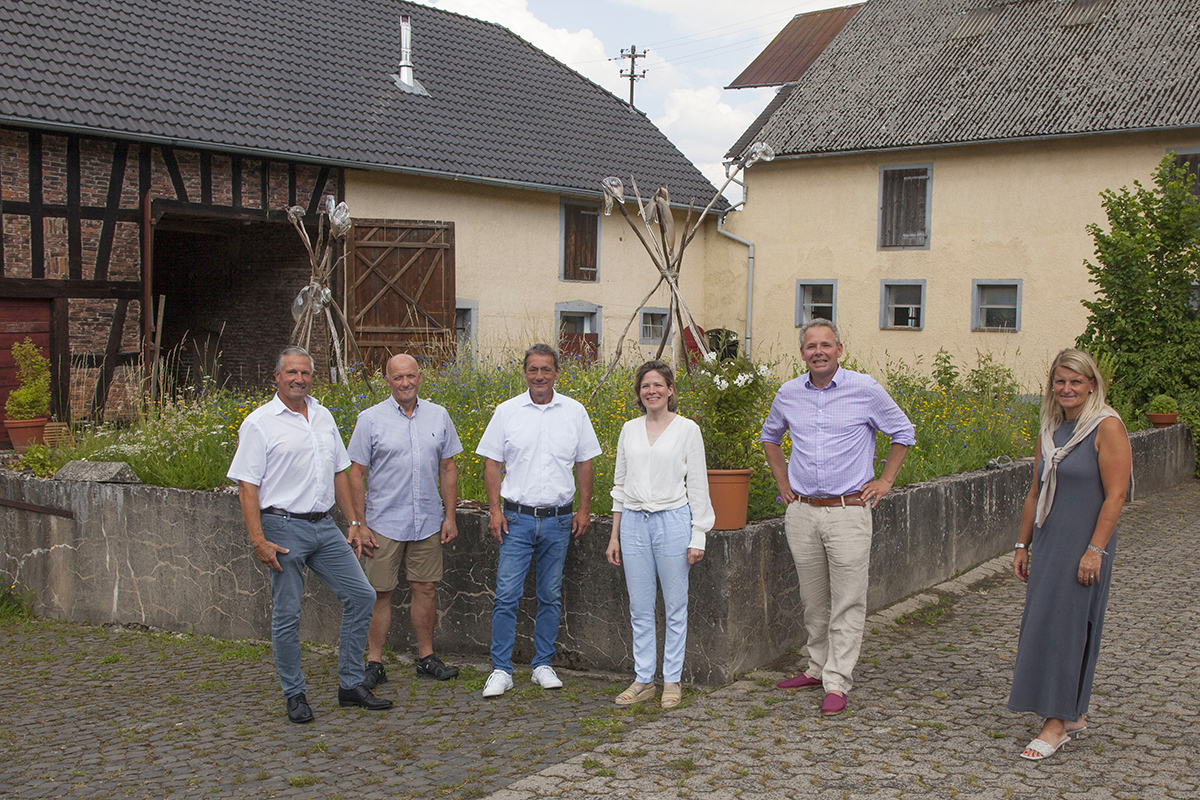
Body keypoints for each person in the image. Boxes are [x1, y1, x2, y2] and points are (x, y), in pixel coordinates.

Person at [227, 346, 393, 723]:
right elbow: (247, 486)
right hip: (282, 526)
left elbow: (339, 472)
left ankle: (351, 684)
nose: (298, 379)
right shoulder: (259, 423)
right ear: (277, 377)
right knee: (288, 614)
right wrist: (258, 540)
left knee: (361, 595)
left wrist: (352, 522)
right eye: (291, 373)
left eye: (305, 373)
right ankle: (295, 694)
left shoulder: (322, 416)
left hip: (324, 526)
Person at [760, 319, 915, 716]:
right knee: (813, 601)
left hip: (848, 512)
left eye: (825, 345)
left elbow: (903, 431)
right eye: (811, 346)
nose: (818, 352)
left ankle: (837, 680)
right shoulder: (789, 393)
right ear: (802, 353)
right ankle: (816, 667)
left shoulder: (863, 388)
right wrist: (783, 483)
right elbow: (770, 437)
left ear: (839, 350)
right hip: (803, 513)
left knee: (847, 600)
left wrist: (885, 480)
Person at [1008, 348, 1131, 761]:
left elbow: (1116, 495)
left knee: (1068, 629)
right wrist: (1023, 545)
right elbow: (1034, 492)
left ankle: (1055, 724)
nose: (1067, 388)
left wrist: (1095, 550)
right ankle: (1072, 712)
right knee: (1045, 625)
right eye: (1060, 381)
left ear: (1092, 384)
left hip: (1084, 546)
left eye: (1076, 381)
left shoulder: (1106, 426)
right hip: (1048, 543)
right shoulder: (1051, 429)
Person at [475, 343, 602, 698]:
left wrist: (584, 509)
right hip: (516, 519)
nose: (540, 376)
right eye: (533, 370)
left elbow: (585, 463)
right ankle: (501, 669)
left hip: (559, 520)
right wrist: (495, 511)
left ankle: (542, 664)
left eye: (546, 370)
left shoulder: (575, 412)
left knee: (549, 595)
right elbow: (491, 464)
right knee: (506, 595)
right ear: (525, 373)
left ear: (557, 373)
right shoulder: (507, 412)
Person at [348, 353, 463, 689]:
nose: (405, 383)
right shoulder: (370, 419)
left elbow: (448, 468)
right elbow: (356, 473)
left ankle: (426, 657)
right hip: (383, 522)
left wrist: (450, 516)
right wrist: (360, 522)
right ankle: (374, 662)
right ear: (387, 381)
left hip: (427, 520)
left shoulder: (439, 416)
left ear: (420, 377)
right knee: (379, 592)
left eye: (410, 376)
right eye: (397, 377)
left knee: (425, 588)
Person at [605, 360, 714, 709]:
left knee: (675, 604)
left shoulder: (686, 430)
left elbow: (698, 484)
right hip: (634, 523)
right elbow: (619, 486)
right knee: (640, 606)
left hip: (673, 522)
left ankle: (672, 681)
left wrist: (698, 534)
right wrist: (614, 535)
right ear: (639, 393)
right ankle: (643, 680)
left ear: (670, 390)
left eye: (658, 385)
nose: (651, 391)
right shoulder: (629, 430)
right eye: (645, 386)